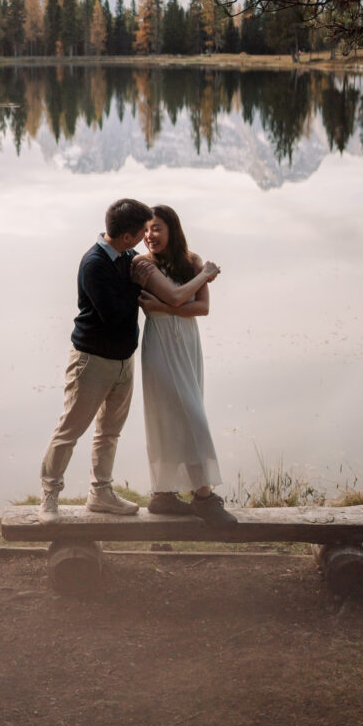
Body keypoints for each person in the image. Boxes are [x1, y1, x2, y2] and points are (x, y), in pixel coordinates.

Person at [38, 198, 154, 524]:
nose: (146, 237)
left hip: (122, 361)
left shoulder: (127, 256)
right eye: (143, 231)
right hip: (92, 362)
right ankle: (49, 496)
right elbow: (115, 315)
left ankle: (100, 493)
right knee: (69, 431)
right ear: (128, 235)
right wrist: (138, 284)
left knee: (109, 432)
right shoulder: (94, 264)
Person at [131, 205, 235, 525]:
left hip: (188, 344)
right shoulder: (141, 264)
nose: (150, 236)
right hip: (161, 345)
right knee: (187, 416)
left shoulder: (191, 260)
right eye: (146, 230)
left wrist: (164, 306)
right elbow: (178, 297)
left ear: (172, 229)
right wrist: (204, 276)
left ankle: (163, 496)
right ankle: (203, 497)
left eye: (157, 228)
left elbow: (201, 308)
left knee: (185, 412)